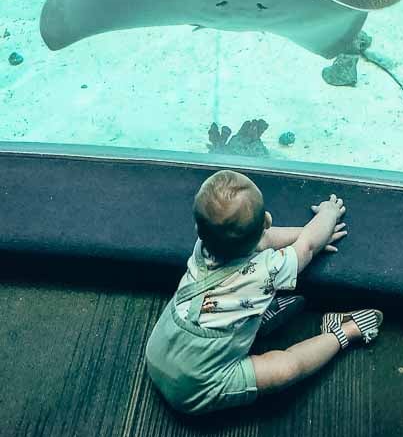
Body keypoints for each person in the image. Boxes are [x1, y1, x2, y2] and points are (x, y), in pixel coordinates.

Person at [145, 170, 383, 414]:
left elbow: (264, 240)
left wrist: (312, 236)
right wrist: (327, 215)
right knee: (288, 368)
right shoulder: (267, 271)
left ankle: (257, 317)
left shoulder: (204, 247)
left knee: (237, 299)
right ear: (267, 221)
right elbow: (308, 246)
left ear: (198, 227)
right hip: (197, 387)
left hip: (158, 352)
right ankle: (342, 330)